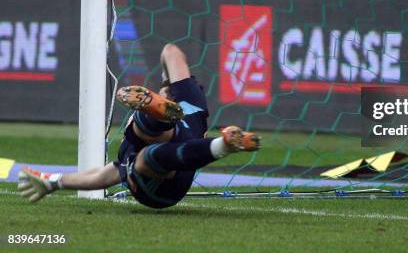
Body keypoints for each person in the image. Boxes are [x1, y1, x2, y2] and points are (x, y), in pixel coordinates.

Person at [18, 44, 260, 208]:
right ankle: (211, 138)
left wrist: (55, 182)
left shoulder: (133, 151)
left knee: (146, 154)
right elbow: (170, 52)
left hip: (162, 186)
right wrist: (168, 82)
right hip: (166, 150)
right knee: (150, 142)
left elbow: (106, 175)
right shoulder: (191, 101)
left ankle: (219, 142)